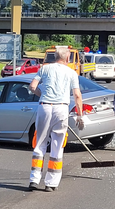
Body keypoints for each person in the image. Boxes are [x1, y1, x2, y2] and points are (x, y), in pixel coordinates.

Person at [28, 47, 83, 192]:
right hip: (61, 108)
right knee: (57, 144)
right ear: (67, 58)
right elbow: (77, 95)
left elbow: (32, 86)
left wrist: (42, 95)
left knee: (40, 142)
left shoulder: (44, 69)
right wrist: (80, 114)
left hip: (45, 106)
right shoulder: (71, 73)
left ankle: (34, 179)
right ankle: (51, 183)